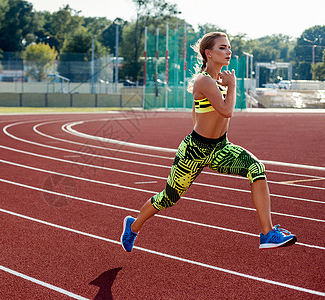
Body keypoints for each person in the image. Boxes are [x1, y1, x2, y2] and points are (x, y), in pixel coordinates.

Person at [120, 32, 296, 251]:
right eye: (223, 48)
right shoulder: (204, 81)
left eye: (229, 47)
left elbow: (196, 114)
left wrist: (225, 90)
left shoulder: (218, 81)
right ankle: (133, 226)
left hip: (220, 147)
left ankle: (267, 233)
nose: (229, 51)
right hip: (194, 151)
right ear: (208, 53)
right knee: (169, 198)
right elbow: (226, 111)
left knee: (256, 168)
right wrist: (232, 86)